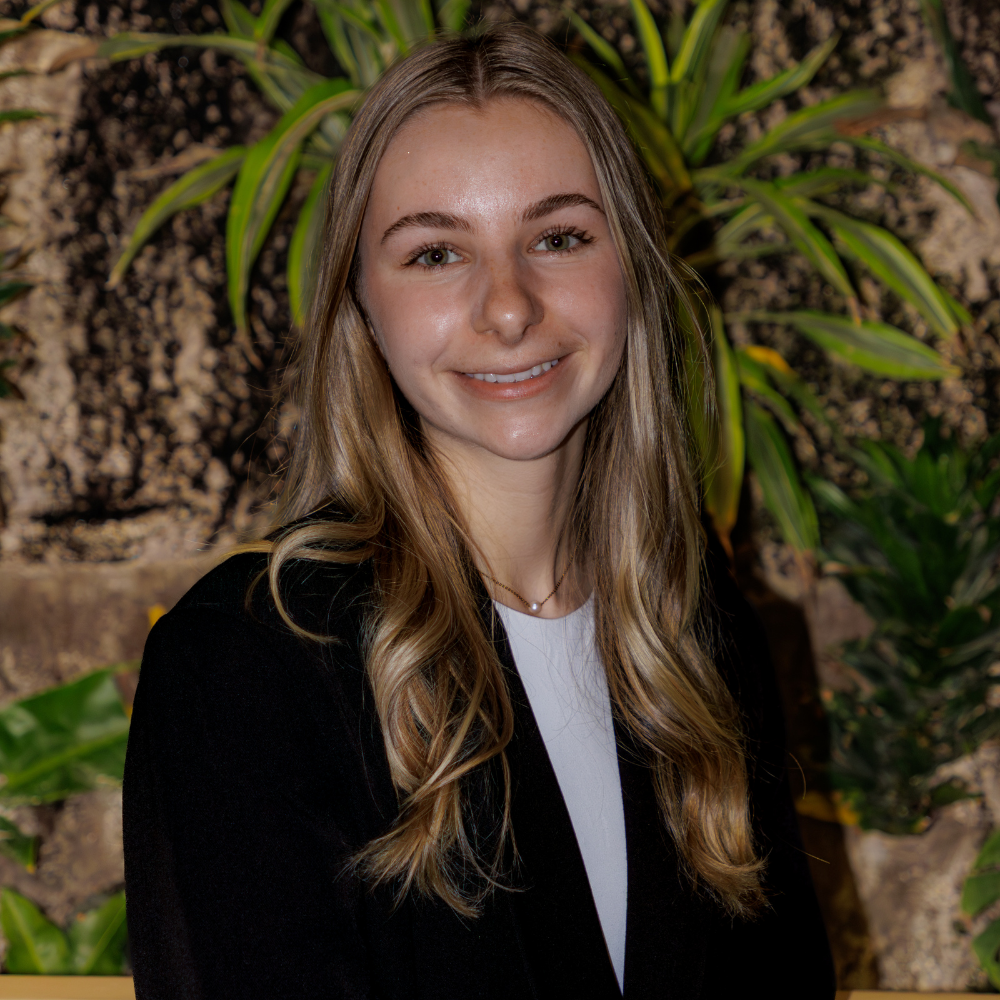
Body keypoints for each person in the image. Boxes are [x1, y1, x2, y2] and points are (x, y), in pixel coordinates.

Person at [123, 22, 835, 999]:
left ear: (629, 270)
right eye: (434, 254)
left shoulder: (695, 635)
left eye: (557, 237)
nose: (509, 307)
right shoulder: (245, 664)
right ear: (360, 303)